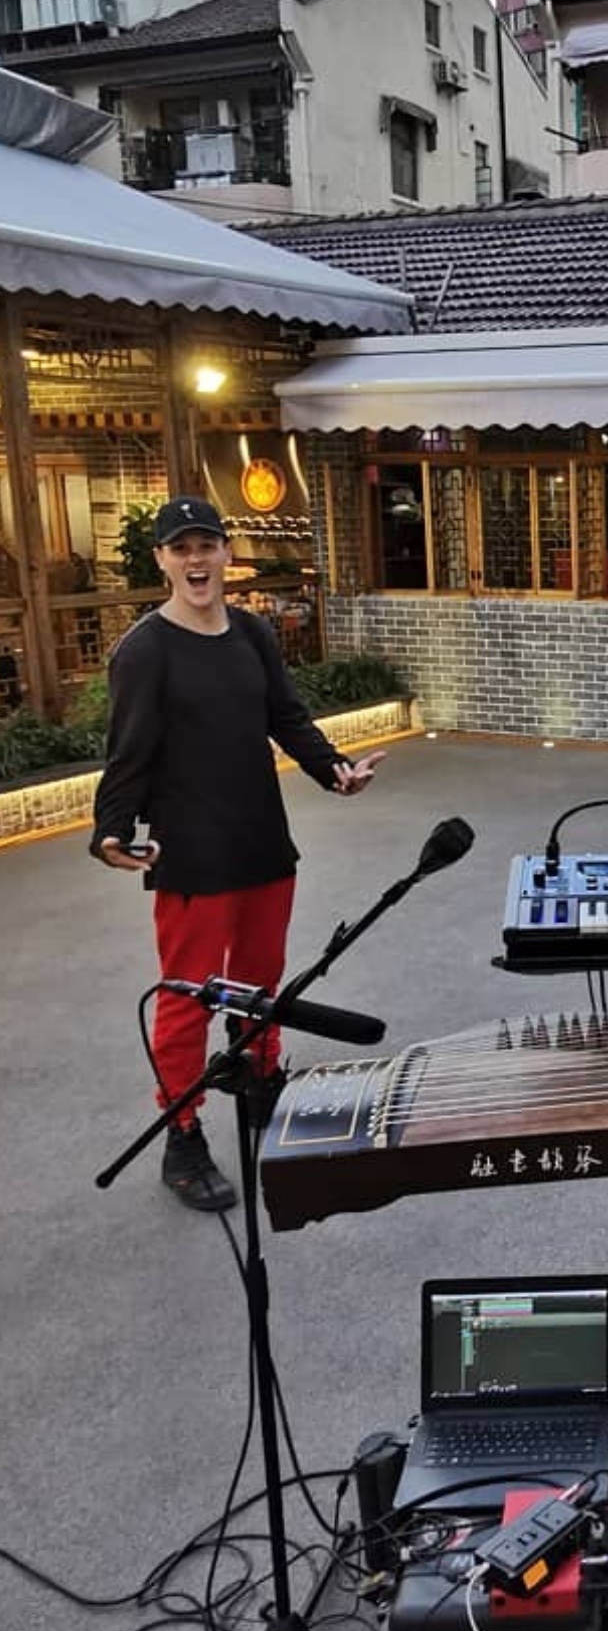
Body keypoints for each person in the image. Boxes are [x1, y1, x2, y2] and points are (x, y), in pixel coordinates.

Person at [91, 496, 383, 1214]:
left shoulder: (251, 634)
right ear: (160, 560)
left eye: (207, 546)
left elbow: (284, 715)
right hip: (191, 855)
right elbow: (127, 753)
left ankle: (261, 1084)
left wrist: (333, 768)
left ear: (226, 553)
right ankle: (182, 1132)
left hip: (260, 842)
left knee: (261, 986)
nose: (196, 560)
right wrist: (111, 829)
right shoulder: (145, 651)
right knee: (188, 1000)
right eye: (180, 548)